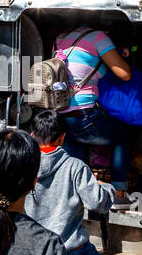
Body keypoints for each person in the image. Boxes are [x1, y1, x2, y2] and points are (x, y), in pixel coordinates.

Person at [25, 109, 118, 255]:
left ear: (31, 136)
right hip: (71, 251)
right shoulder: (75, 167)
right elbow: (98, 203)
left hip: (33, 250)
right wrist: (109, 190)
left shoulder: (24, 165)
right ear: (62, 138)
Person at [54, 26, 135, 196]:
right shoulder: (97, 37)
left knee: (75, 166)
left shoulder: (60, 38)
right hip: (85, 116)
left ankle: (76, 197)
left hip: (61, 117)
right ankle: (119, 193)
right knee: (124, 136)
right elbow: (124, 73)